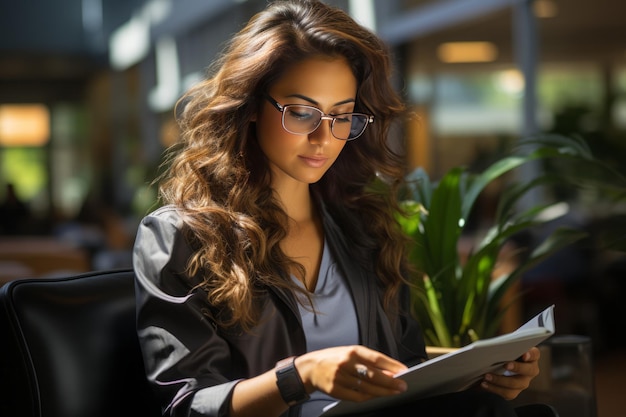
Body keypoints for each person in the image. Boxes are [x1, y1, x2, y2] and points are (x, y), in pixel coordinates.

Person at [133, 1, 553, 416]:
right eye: (301, 112)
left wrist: (481, 375)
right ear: (250, 107)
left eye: (342, 115)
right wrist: (300, 376)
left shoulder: (364, 225)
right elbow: (186, 405)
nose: (323, 137)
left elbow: (404, 371)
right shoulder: (180, 237)